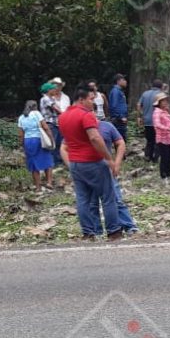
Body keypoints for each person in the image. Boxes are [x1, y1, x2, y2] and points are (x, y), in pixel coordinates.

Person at [59, 87, 123, 241]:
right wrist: (108, 158)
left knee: (83, 199)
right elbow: (95, 137)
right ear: (81, 99)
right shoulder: (85, 115)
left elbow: (66, 142)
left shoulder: (63, 116)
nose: (93, 102)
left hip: (75, 162)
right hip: (93, 162)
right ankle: (114, 231)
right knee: (108, 197)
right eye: (91, 99)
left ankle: (88, 233)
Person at [96, 120, 138, 234]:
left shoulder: (106, 126)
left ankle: (128, 226)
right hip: (88, 169)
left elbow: (120, 143)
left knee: (116, 199)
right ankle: (94, 232)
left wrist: (117, 163)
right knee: (91, 202)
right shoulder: (79, 127)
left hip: (106, 168)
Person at [18, 100, 54, 191]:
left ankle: (38, 187)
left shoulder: (21, 117)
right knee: (47, 158)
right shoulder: (37, 114)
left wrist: (22, 145)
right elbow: (45, 127)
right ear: (35, 106)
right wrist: (51, 138)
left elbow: (21, 134)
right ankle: (49, 182)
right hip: (39, 139)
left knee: (33, 163)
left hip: (28, 141)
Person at [152, 92, 170, 184]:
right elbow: (157, 124)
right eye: (163, 101)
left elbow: (168, 121)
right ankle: (163, 176)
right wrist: (168, 128)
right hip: (162, 138)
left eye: (166, 101)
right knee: (164, 158)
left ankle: (169, 175)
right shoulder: (157, 112)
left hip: (168, 138)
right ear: (159, 102)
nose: (165, 102)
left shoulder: (164, 111)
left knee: (169, 157)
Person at [137, 79, 162, 163]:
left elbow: (138, 104)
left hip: (147, 121)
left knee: (149, 140)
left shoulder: (145, 93)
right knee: (157, 140)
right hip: (157, 121)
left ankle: (148, 156)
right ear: (161, 87)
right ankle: (156, 157)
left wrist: (139, 116)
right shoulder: (161, 95)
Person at [40, 83, 64, 164]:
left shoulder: (52, 98)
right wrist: (66, 114)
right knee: (52, 143)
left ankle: (57, 162)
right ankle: (51, 163)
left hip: (56, 124)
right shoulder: (46, 99)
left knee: (58, 143)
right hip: (50, 124)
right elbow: (57, 109)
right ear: (48, 90)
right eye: (53, 89)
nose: (55, 90)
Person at [108, 74, 129, 142]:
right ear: (118, 81)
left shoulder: (119, 91)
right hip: (118, 120)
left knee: (122, 141)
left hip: (121, 120)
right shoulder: (116, 91)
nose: (125, 81)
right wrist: (120, 117)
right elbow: (114, 106)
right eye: (123, 80)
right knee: (120, 141)